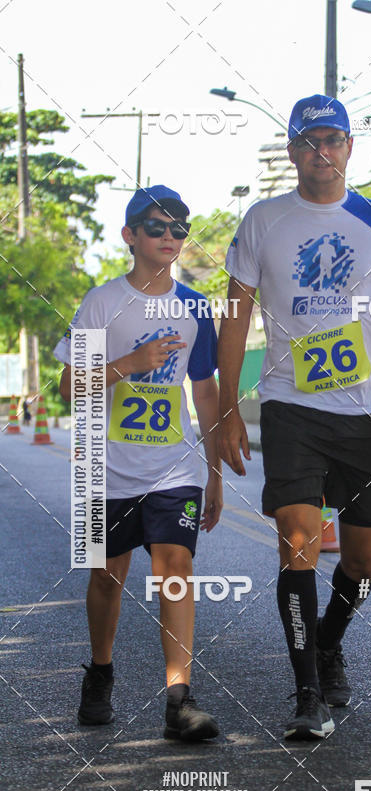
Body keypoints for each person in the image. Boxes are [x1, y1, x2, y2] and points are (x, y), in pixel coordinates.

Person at [218, 94, 371, 740]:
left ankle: (330, 642)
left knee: (364, 560)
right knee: (297, 540)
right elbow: (235, 318)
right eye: (309, 142)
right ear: (292, 152)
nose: (322, 152)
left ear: (348, 148)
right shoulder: (263, 222)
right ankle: (307, 693)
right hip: (290, 406)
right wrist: (230, 405)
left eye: (333, 140)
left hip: (369, 410)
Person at [55, 185, 223, 741]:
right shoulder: (103, 303)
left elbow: (204, 393)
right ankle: (100, 672)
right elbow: (66, 387)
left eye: (180, 227)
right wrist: (128, 362)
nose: (171, 237)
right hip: (105, 467)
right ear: (130, 235)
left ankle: (180, 698)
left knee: (175, 568)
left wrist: (215, 473)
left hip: (175, 466)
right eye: (157, 227)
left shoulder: (196, 306)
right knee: (107, 577)